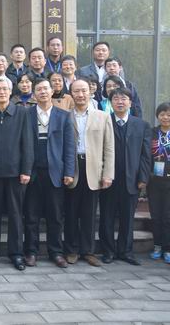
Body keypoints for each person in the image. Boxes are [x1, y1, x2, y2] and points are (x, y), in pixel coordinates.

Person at [0, 76, 34, 271]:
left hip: (15, 173)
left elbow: (27, 143)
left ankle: (16, 254)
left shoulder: (22, 113)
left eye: (5, 89)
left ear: (11, 92)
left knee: (15, 215)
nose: (2, 92)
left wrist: (26, 170)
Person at [24, 78, 75, 268]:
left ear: (52, 91)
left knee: (55, 216)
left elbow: (69, 147)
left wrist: (69, 171)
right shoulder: (26, 114)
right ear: (33, 94)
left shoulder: (63, 116)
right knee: (31, 216)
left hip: (55, 173)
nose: (43, 92)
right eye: (39, 89)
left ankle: (56, 252)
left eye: (46, 88)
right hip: (32, 173)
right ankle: (31, 251)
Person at [64, 78, 114, 267]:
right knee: (70, 212)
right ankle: (71, 250)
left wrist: (107, 174)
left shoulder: (103, 116)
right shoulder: (64, 116)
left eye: (84, 90)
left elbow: (109, 148)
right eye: (76, 91)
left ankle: (88, 251)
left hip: (93, 169)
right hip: (72, 167)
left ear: (90, 92)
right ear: (71, 94)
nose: (80, 94)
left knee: (90, 213)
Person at [99, 87, 151, 265]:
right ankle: (108, 251)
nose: (120, 102)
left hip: (132, 180)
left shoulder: (141, 125)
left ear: (130, 102)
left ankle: (126, 252)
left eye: (123, 99)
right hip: (108, 179)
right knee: (106, 216)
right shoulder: (104, 121)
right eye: (116, 99)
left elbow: (146, 155)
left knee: (128, 218)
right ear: (110, 102)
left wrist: (143, 178)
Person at [148, 102, 170, 264]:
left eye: (169, 115)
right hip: (154, 181)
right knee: (156, 215)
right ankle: (157, 246)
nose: (165, 117)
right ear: (157, 116)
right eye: (162, 114)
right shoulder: (152, 133)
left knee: (167, 216)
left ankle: (167, 248)